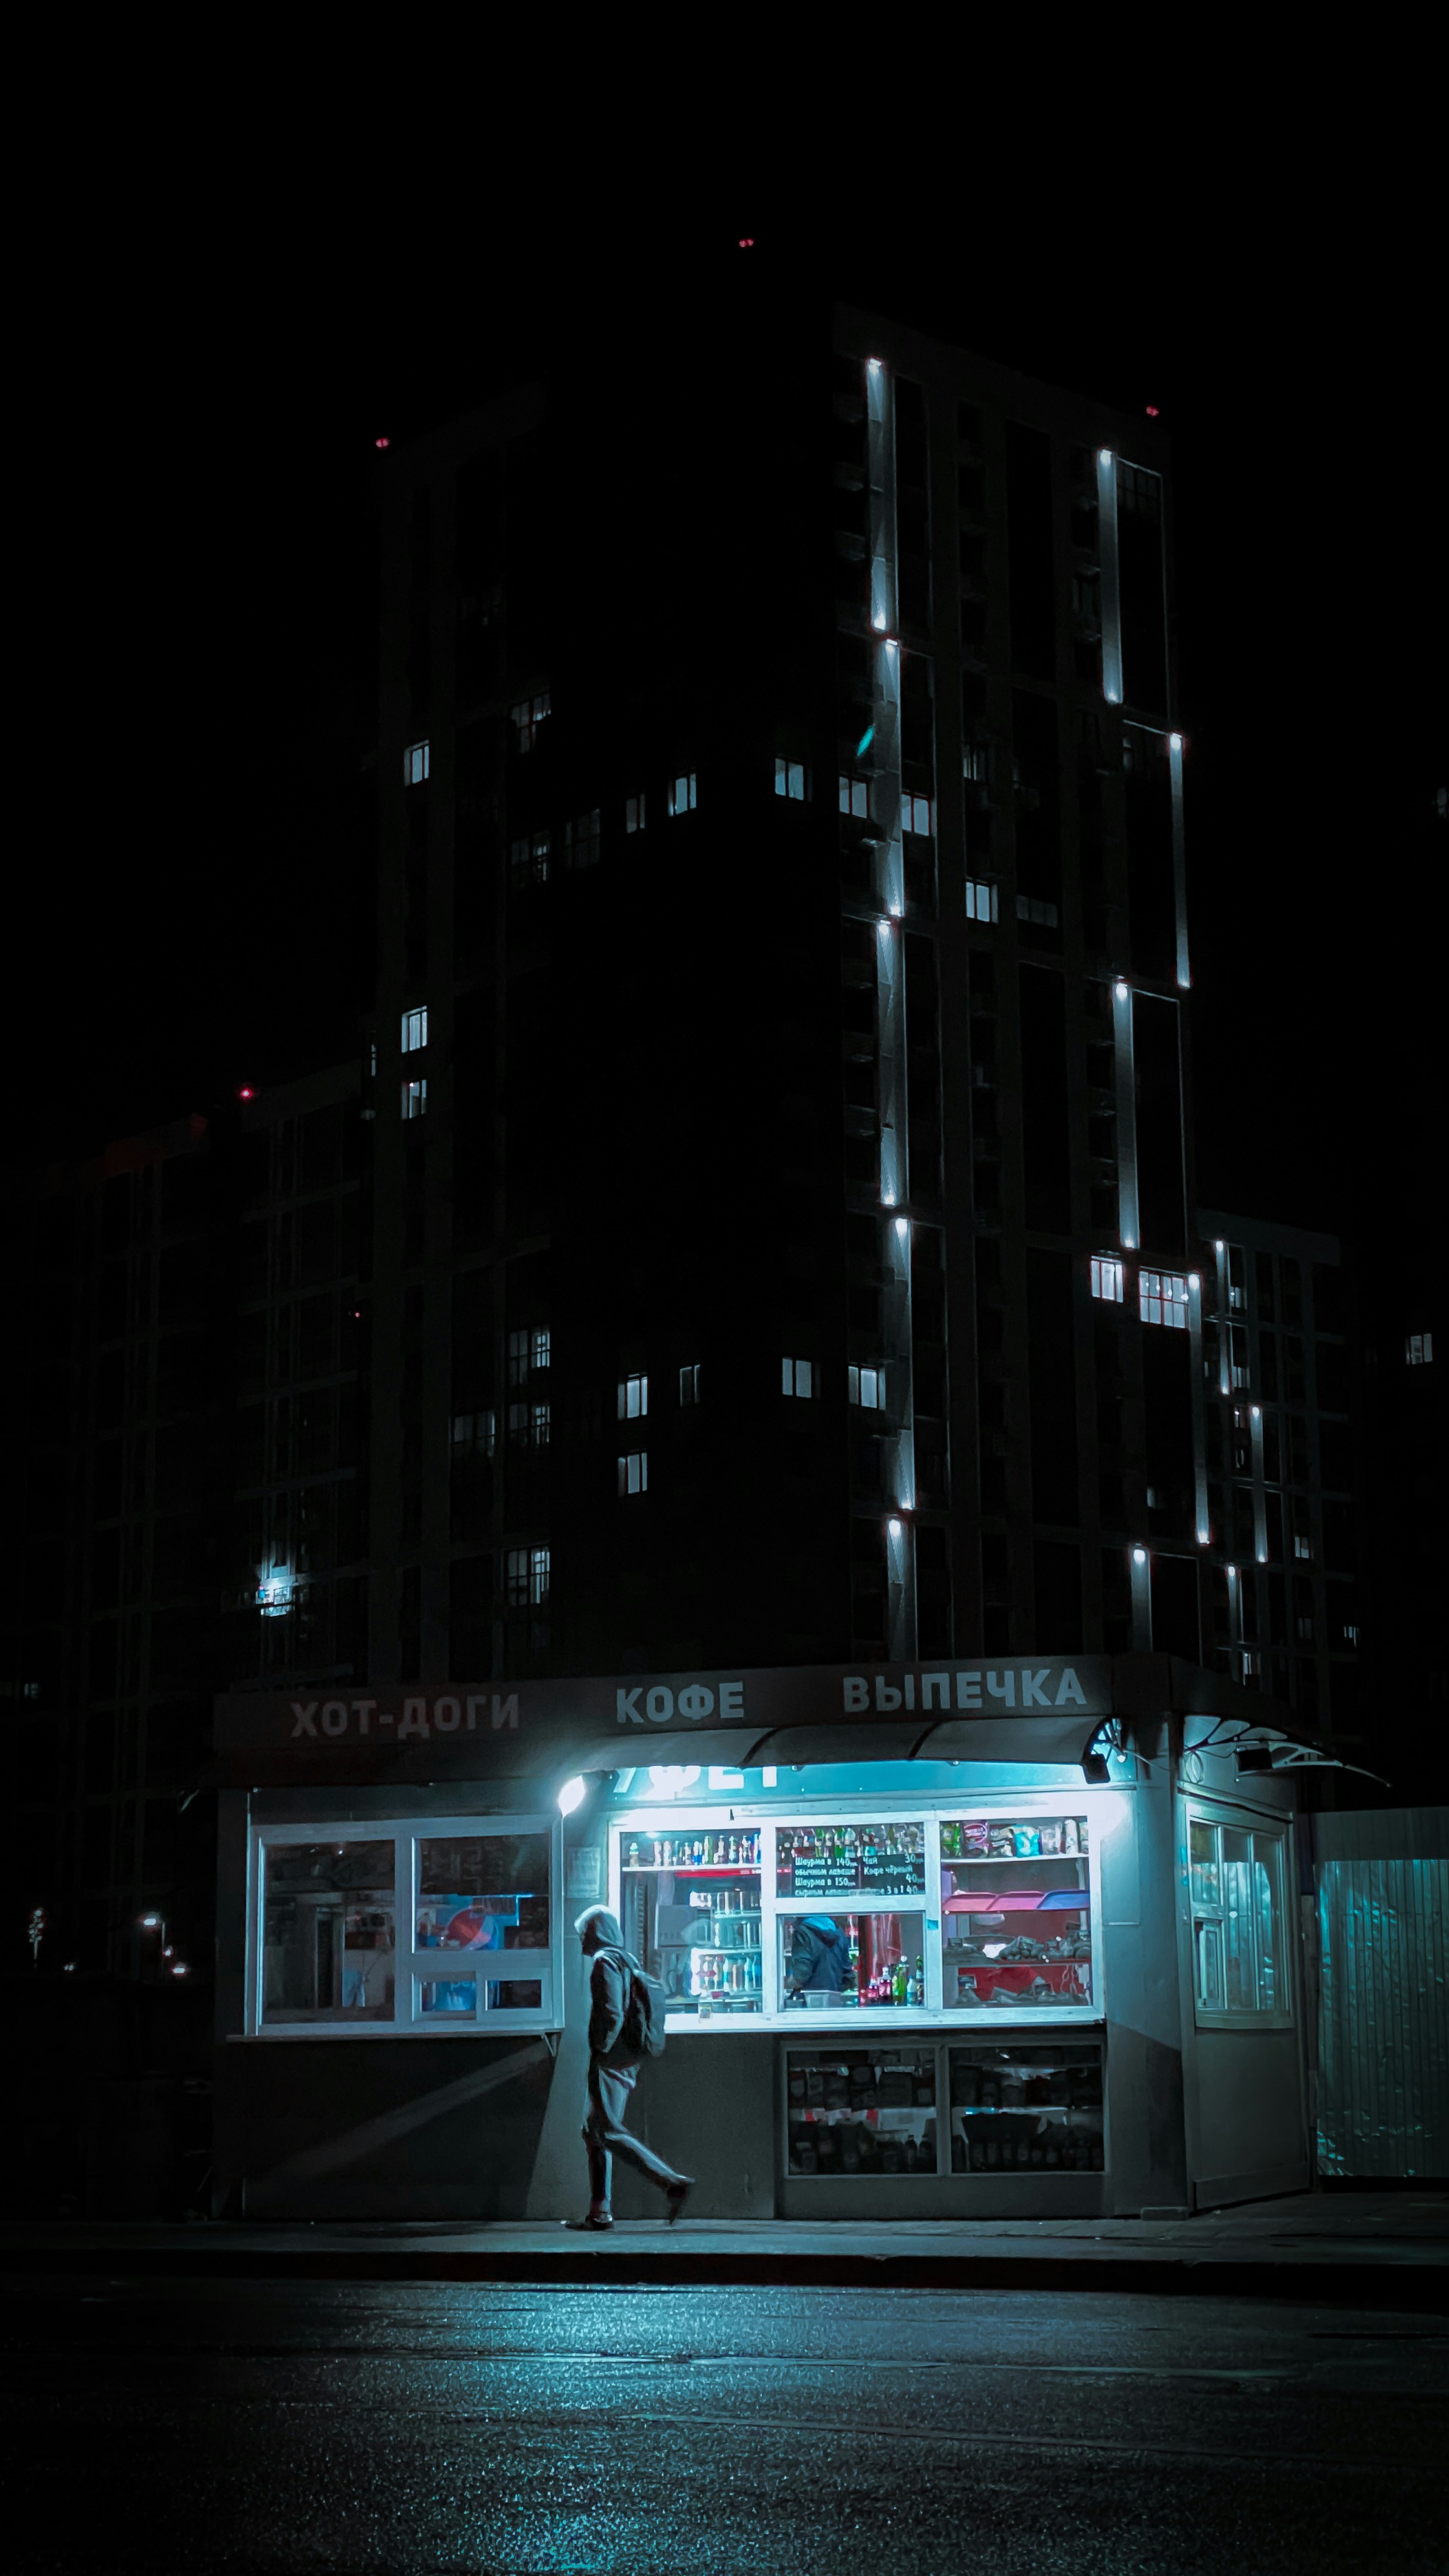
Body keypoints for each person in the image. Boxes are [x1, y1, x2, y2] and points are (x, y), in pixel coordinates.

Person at [570, 1905, 692, 2231]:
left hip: (612, 2058)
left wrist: (599, 2048)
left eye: (584, 1933)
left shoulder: (605, 1961)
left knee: (606, 2130)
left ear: (596, 1932)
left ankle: (672, 2183)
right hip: (628, 2056)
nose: (581, 1940)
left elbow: (610, 2013)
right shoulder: (628, 1960)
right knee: (593, 2131)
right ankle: (600, 2212)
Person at [786, 1914, 853, 2002]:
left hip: (810, 1999)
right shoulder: (839, 1933)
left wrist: (787, 1985)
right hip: (834, 1999)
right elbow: (847, 1971)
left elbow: (802, 1971)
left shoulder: (803, 1932)